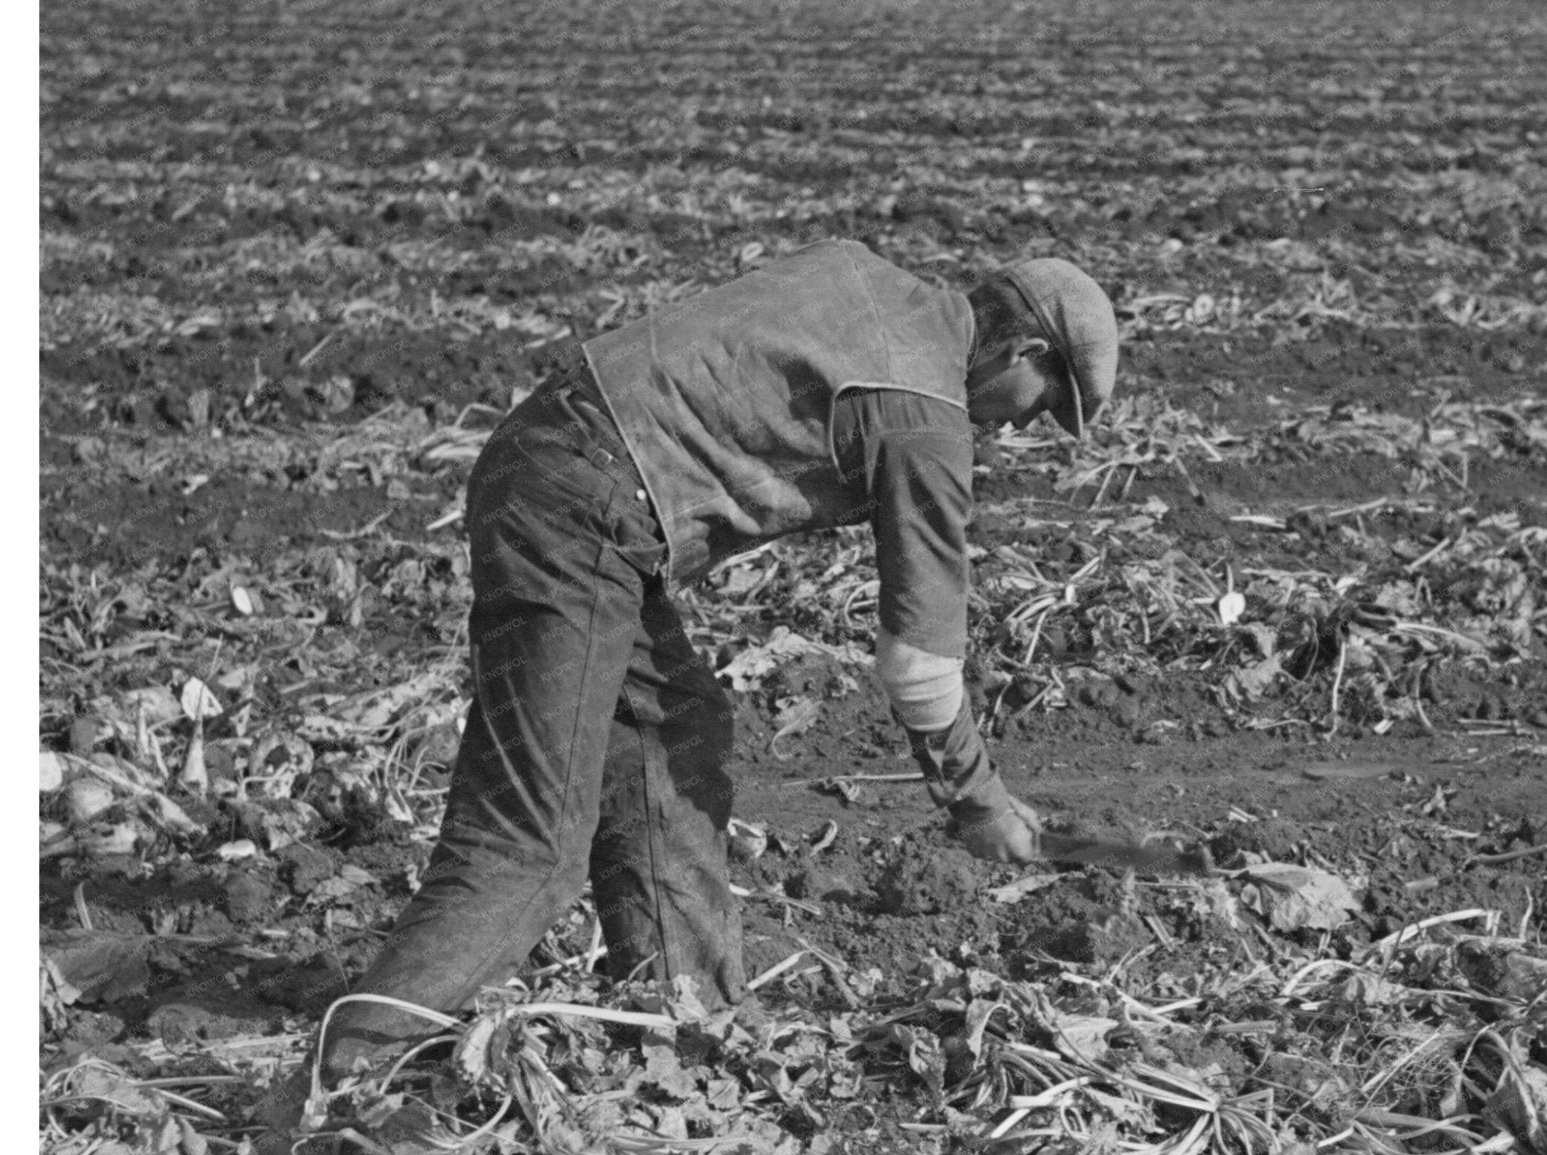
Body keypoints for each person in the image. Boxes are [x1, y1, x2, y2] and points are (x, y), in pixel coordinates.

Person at [319, 239, 1118, 1079]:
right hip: (582, 507)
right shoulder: (925, 410)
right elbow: (920, 662)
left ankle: (685, 1027)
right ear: (1025, 350)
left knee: (673, 730)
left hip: (558, 463)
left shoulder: (870, 282)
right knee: (531, 847)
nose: (1021, 427)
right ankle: (331, 1086)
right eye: (1040, 404)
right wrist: (978, 801)